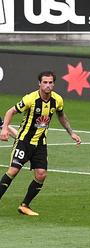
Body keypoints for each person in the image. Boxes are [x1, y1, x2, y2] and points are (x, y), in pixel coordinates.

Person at [0, 70, 81, 216]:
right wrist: (4, 129)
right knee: (13, 171)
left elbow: (61, 115)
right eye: (45, 82)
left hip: (40, 144)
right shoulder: (30, 99)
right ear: (39, 83)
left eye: (50, 82)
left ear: (54, 84)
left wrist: (71, 132)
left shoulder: (57, 100)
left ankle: (24, 205)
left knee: (41, 174)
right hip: (24, 141)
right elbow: (10, 111)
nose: (48, 85)